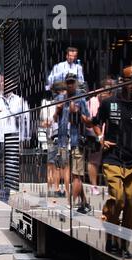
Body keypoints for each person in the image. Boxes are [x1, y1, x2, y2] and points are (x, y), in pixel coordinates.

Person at [92, 65, 132, 258]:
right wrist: (101, 138)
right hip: (113, 158)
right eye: (130, 78)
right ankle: (111, 236)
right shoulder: (109, 102)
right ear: (123, 81)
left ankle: (123, 244)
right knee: (118, 198)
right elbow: (95, 123)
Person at [53, 73, 91, 214]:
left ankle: (70, 204)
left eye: (72, 82)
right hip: (63, 141)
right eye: (68, 82)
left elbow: (88, 121)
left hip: (76, 141)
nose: (70, 85)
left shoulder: (81, 99)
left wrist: (79, 112)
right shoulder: (60, 99)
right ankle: (85, 203)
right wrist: (58, 109)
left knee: (76, 175)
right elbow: (55, 119)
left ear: (75, 83)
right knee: (70, 175)